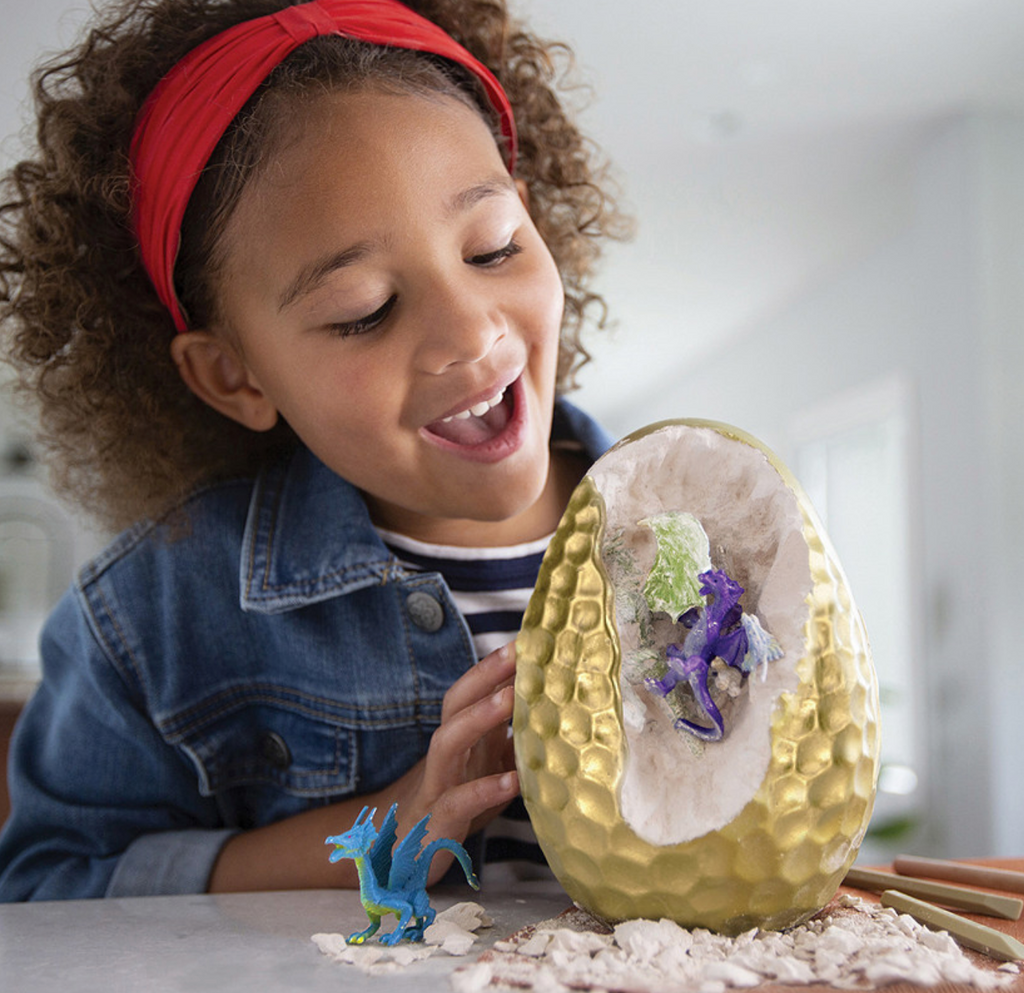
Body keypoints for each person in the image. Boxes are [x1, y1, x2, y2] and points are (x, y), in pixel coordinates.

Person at [0, 0, 627, 901]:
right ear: (235, 375)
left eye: (492, 248)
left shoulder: (706, 525)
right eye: (363, 309)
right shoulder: (156, 618)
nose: (469, 332)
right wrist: (389, 827)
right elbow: (44, 891)